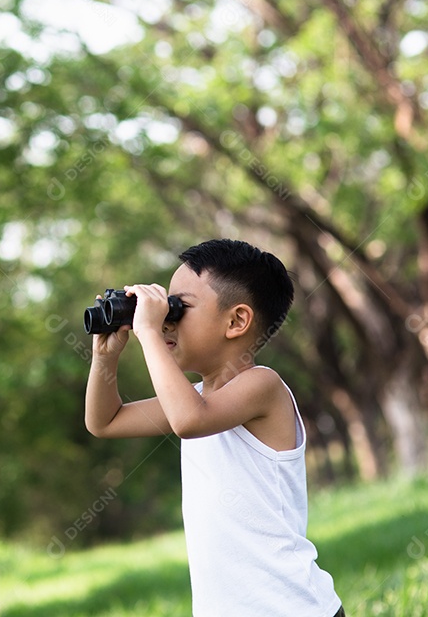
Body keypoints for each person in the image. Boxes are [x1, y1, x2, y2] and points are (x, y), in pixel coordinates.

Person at [84, 239, 343, 617]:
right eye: (165, 306)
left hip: (291, 607)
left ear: (236, 321)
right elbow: (104, 422)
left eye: (179, 307)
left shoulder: (263, 387)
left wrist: (150, 334)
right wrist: (105, 357)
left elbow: (189, 421)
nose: (166, 319)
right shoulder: (195, 398)